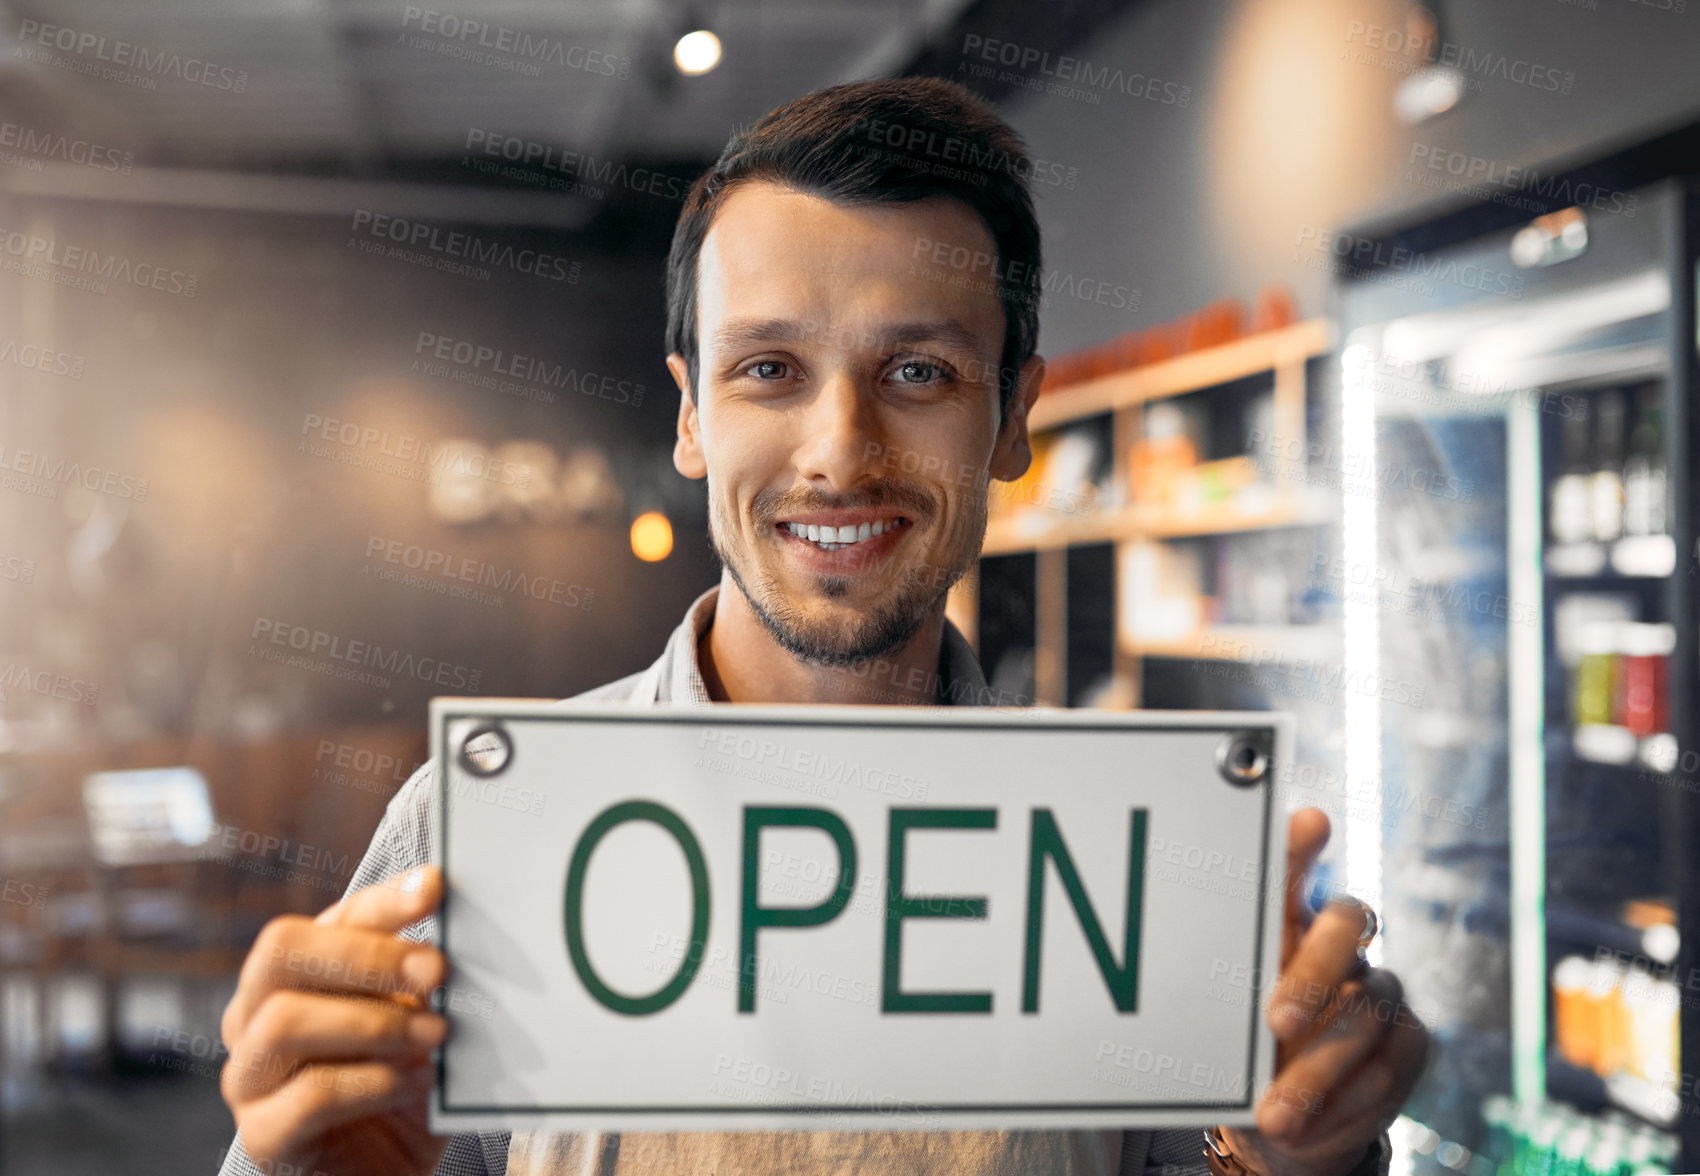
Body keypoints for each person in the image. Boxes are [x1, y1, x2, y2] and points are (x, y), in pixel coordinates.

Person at [216, 76, 1427, 1176]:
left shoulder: (1131, 859)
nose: (840, 454)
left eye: (918, 373)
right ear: (689, 416)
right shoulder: (473, 828)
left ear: (1013, 419)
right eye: (768, 371)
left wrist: (1299, 1157)